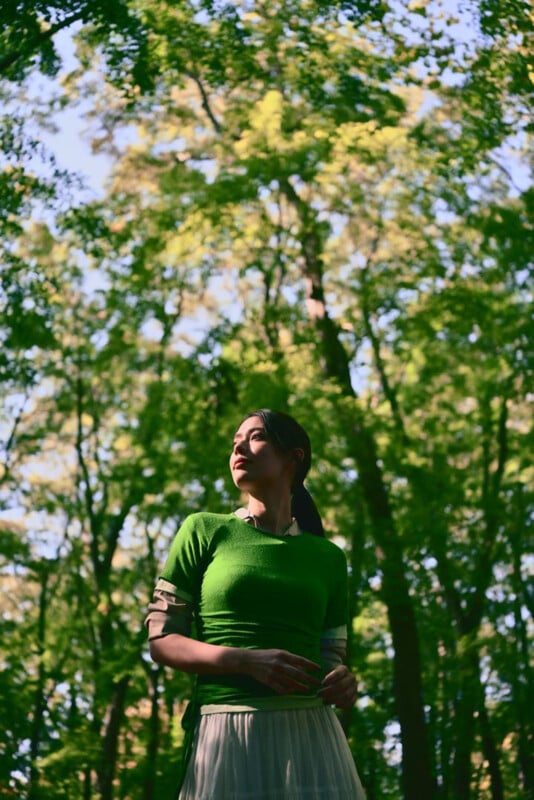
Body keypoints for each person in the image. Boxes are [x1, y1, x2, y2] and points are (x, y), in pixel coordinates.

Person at [145, 408, 366, 799]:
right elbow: (162, 640)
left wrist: (344, 683)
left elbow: (332, 658)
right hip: (226, 731)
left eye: (255, 437)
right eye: (235, 442)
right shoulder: (203, 530)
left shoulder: (330, 557)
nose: (238, 448)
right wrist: (247, 661)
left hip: (312, 737)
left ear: (294, 457)